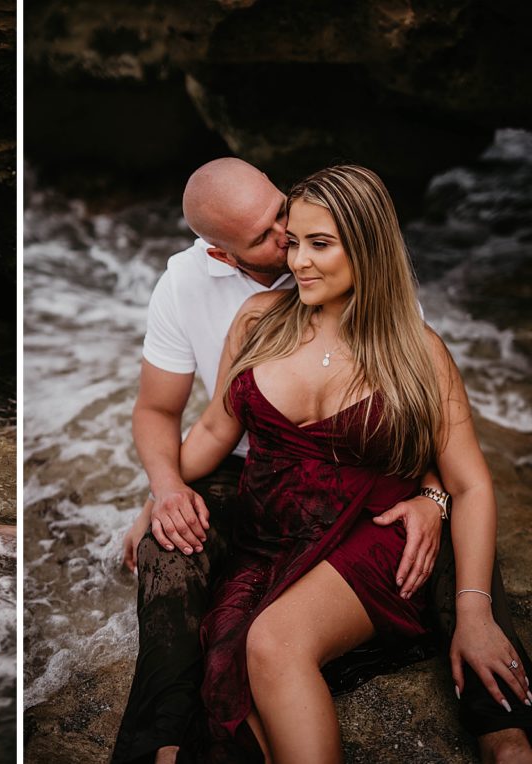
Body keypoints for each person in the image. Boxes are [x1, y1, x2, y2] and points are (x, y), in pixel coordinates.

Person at [111, 159, 532, 762]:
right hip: (269, 526)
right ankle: (159, 741)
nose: (293, 253)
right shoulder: (244, 313)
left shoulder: (412, 344)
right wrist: (163, 489)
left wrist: (438, 516)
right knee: (225, 662)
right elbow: (204, 427)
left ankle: (505, 732)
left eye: (312, 239)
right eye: (281, 239)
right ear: (223, 255)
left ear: (364, 247)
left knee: (279, 640)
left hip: (368, 521)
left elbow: (464, 478)